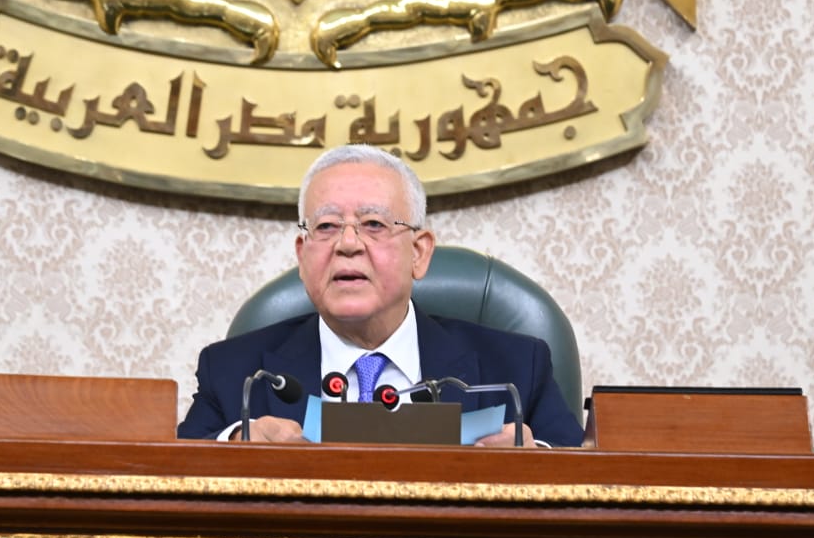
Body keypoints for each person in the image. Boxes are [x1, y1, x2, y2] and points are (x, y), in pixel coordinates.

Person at [177, 144, 584, 447]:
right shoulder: (234, 373)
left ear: (419, 253)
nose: (347, 244)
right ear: (302, 255)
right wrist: (234, 446)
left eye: (373, 224)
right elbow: (171, 482)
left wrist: (535, 462)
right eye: (326, 226)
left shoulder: (516, 369)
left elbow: (591, 488)